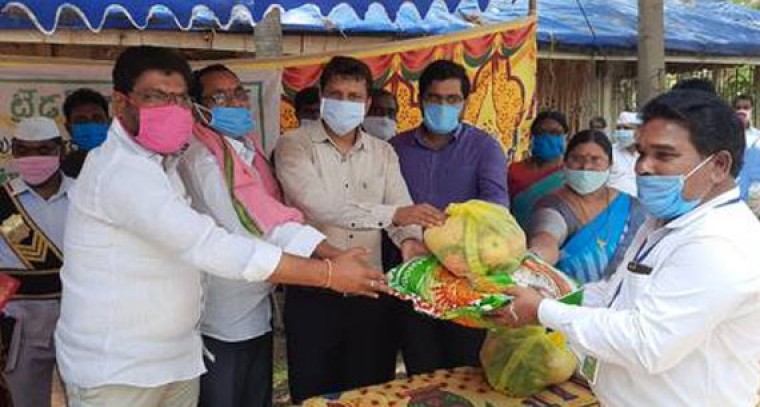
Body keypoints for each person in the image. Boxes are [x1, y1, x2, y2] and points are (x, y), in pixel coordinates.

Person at [55, 46, 389, 407]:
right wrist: (327, 274)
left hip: (178, 357)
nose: (172, 109)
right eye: (156, 97)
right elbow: (209, 243)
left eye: (179, 99)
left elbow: (264, 213)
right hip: (119, 370)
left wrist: (331, 256)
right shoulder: (121, 171)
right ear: (121, 103)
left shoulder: (175, 161)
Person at [496, 89, 760, 406]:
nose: (643, 167)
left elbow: (647, 343)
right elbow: (614, 295)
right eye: (641, 152)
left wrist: (543, 311)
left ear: (718, 165)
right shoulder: (662, 222)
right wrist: (549, 293)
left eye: (663, 155)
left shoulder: (719, 242)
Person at [181, 63, 351, 407]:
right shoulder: (202, 157)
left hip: (257, 304)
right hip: (222, 312)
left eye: (238, 93)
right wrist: (329, 259)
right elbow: (250, 223)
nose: (234, 102)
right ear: (197, 107)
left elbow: (268, 209)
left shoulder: (246, 148)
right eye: (219, 97)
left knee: (257, 397)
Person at [275, 56, 439, 403]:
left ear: (366, 104)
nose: (345, 103)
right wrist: (395, 214)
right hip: (313, 289)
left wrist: (410, 241)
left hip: (370, 292)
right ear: (321, 96)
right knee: (312, 394)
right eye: (336, 94)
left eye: (354, 96)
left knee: (370, 393)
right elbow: (318, 206)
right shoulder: (293, 144)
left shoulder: (383, 152)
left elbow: (400, 207)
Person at [388, 59, 508, 375]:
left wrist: (450, 235)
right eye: (435, 98)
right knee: (421, 368)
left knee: (466, 371)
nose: (443, 106)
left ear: (465, 103)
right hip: (413, 275)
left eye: (452, 99)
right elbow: (384, 208)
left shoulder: (485, 148)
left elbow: (496, 211)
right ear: (419, 101)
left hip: (465, 280)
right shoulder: (394, 149)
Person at [0, 117, 70, 407]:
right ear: (13, 151)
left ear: (60, 150)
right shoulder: (3, 203)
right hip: (21, 324)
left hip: (78, 316)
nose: (33, 158)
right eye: (24, 150)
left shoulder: (85, 195)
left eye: (43, 150)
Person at [528, 130, 646, 284]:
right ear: (565, 162)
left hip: (626, 295)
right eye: (577, 159)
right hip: (569, 297)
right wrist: (537, 257)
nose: (586, 166)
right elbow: (546, 235)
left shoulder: (631, 207)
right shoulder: (553, 205)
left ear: (610, 165)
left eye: (596, 159)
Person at [509, 110, 569, 228]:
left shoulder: (570, 174)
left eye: (555, 133)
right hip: (517, 234)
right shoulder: (514, 171)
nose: (548, 137)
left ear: (565, 137)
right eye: (541, 132)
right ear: (532, 137)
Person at [60, 88, 110, 177]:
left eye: (97, 119)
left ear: (109, 123)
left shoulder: (128, 161)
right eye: (81, 121)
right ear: (69, 129)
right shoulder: (62, 171)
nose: (91, 125)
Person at [736, 94, 760, 215]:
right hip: (732, 195)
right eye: (738, 107)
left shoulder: (758, 137)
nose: (742, 111)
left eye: (746, 107)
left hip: (755, 199)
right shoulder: (725, 137)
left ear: (751, 110)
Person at [607, 111, 641, 196]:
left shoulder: (646, 154)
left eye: (626, 128)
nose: (621, 131)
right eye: (618, 128)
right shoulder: (609, 151)